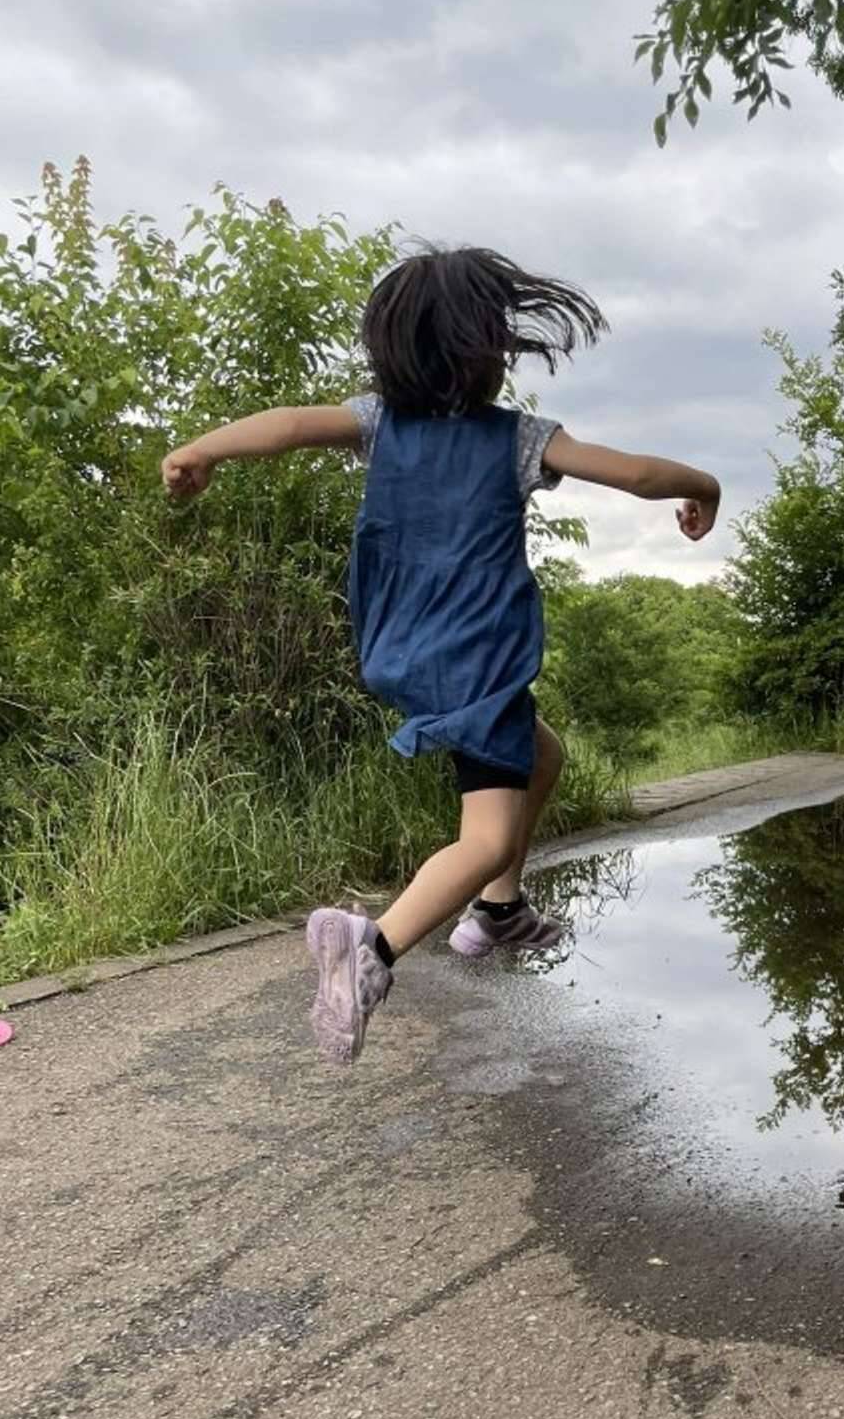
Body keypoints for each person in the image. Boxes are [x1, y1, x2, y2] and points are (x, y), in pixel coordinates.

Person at [162, 245, 720, 1064]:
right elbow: (636, 473)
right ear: (485, 355)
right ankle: (370, 951)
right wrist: (704, 485)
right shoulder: (519, 439)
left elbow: (284, 429)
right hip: (479, 664)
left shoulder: (377, 425)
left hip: (400, 648)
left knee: (543, 754)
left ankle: (498, 912)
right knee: (487, 837)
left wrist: (199, 450)